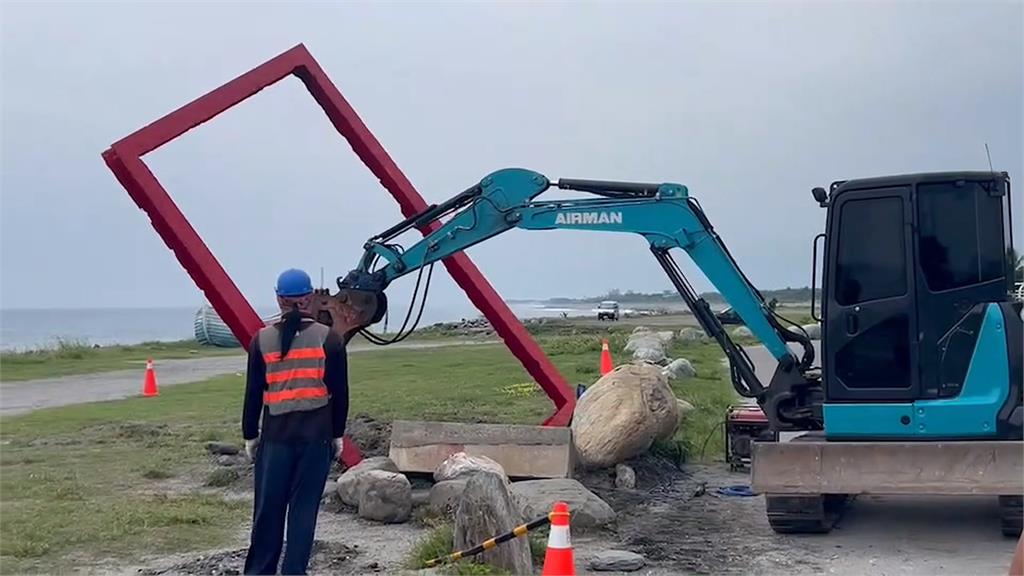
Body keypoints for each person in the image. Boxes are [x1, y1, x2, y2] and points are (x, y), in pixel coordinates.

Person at [242, 268, 349, 575]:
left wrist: (251, 435)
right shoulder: (329, 339)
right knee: (302, 515)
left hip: (275, 440)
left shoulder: (261, 340)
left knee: (267, 513)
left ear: (279, 299)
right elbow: (339, 393)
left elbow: (253, 395)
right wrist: (337, 435)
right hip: (315, 440)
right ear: (310, 298)